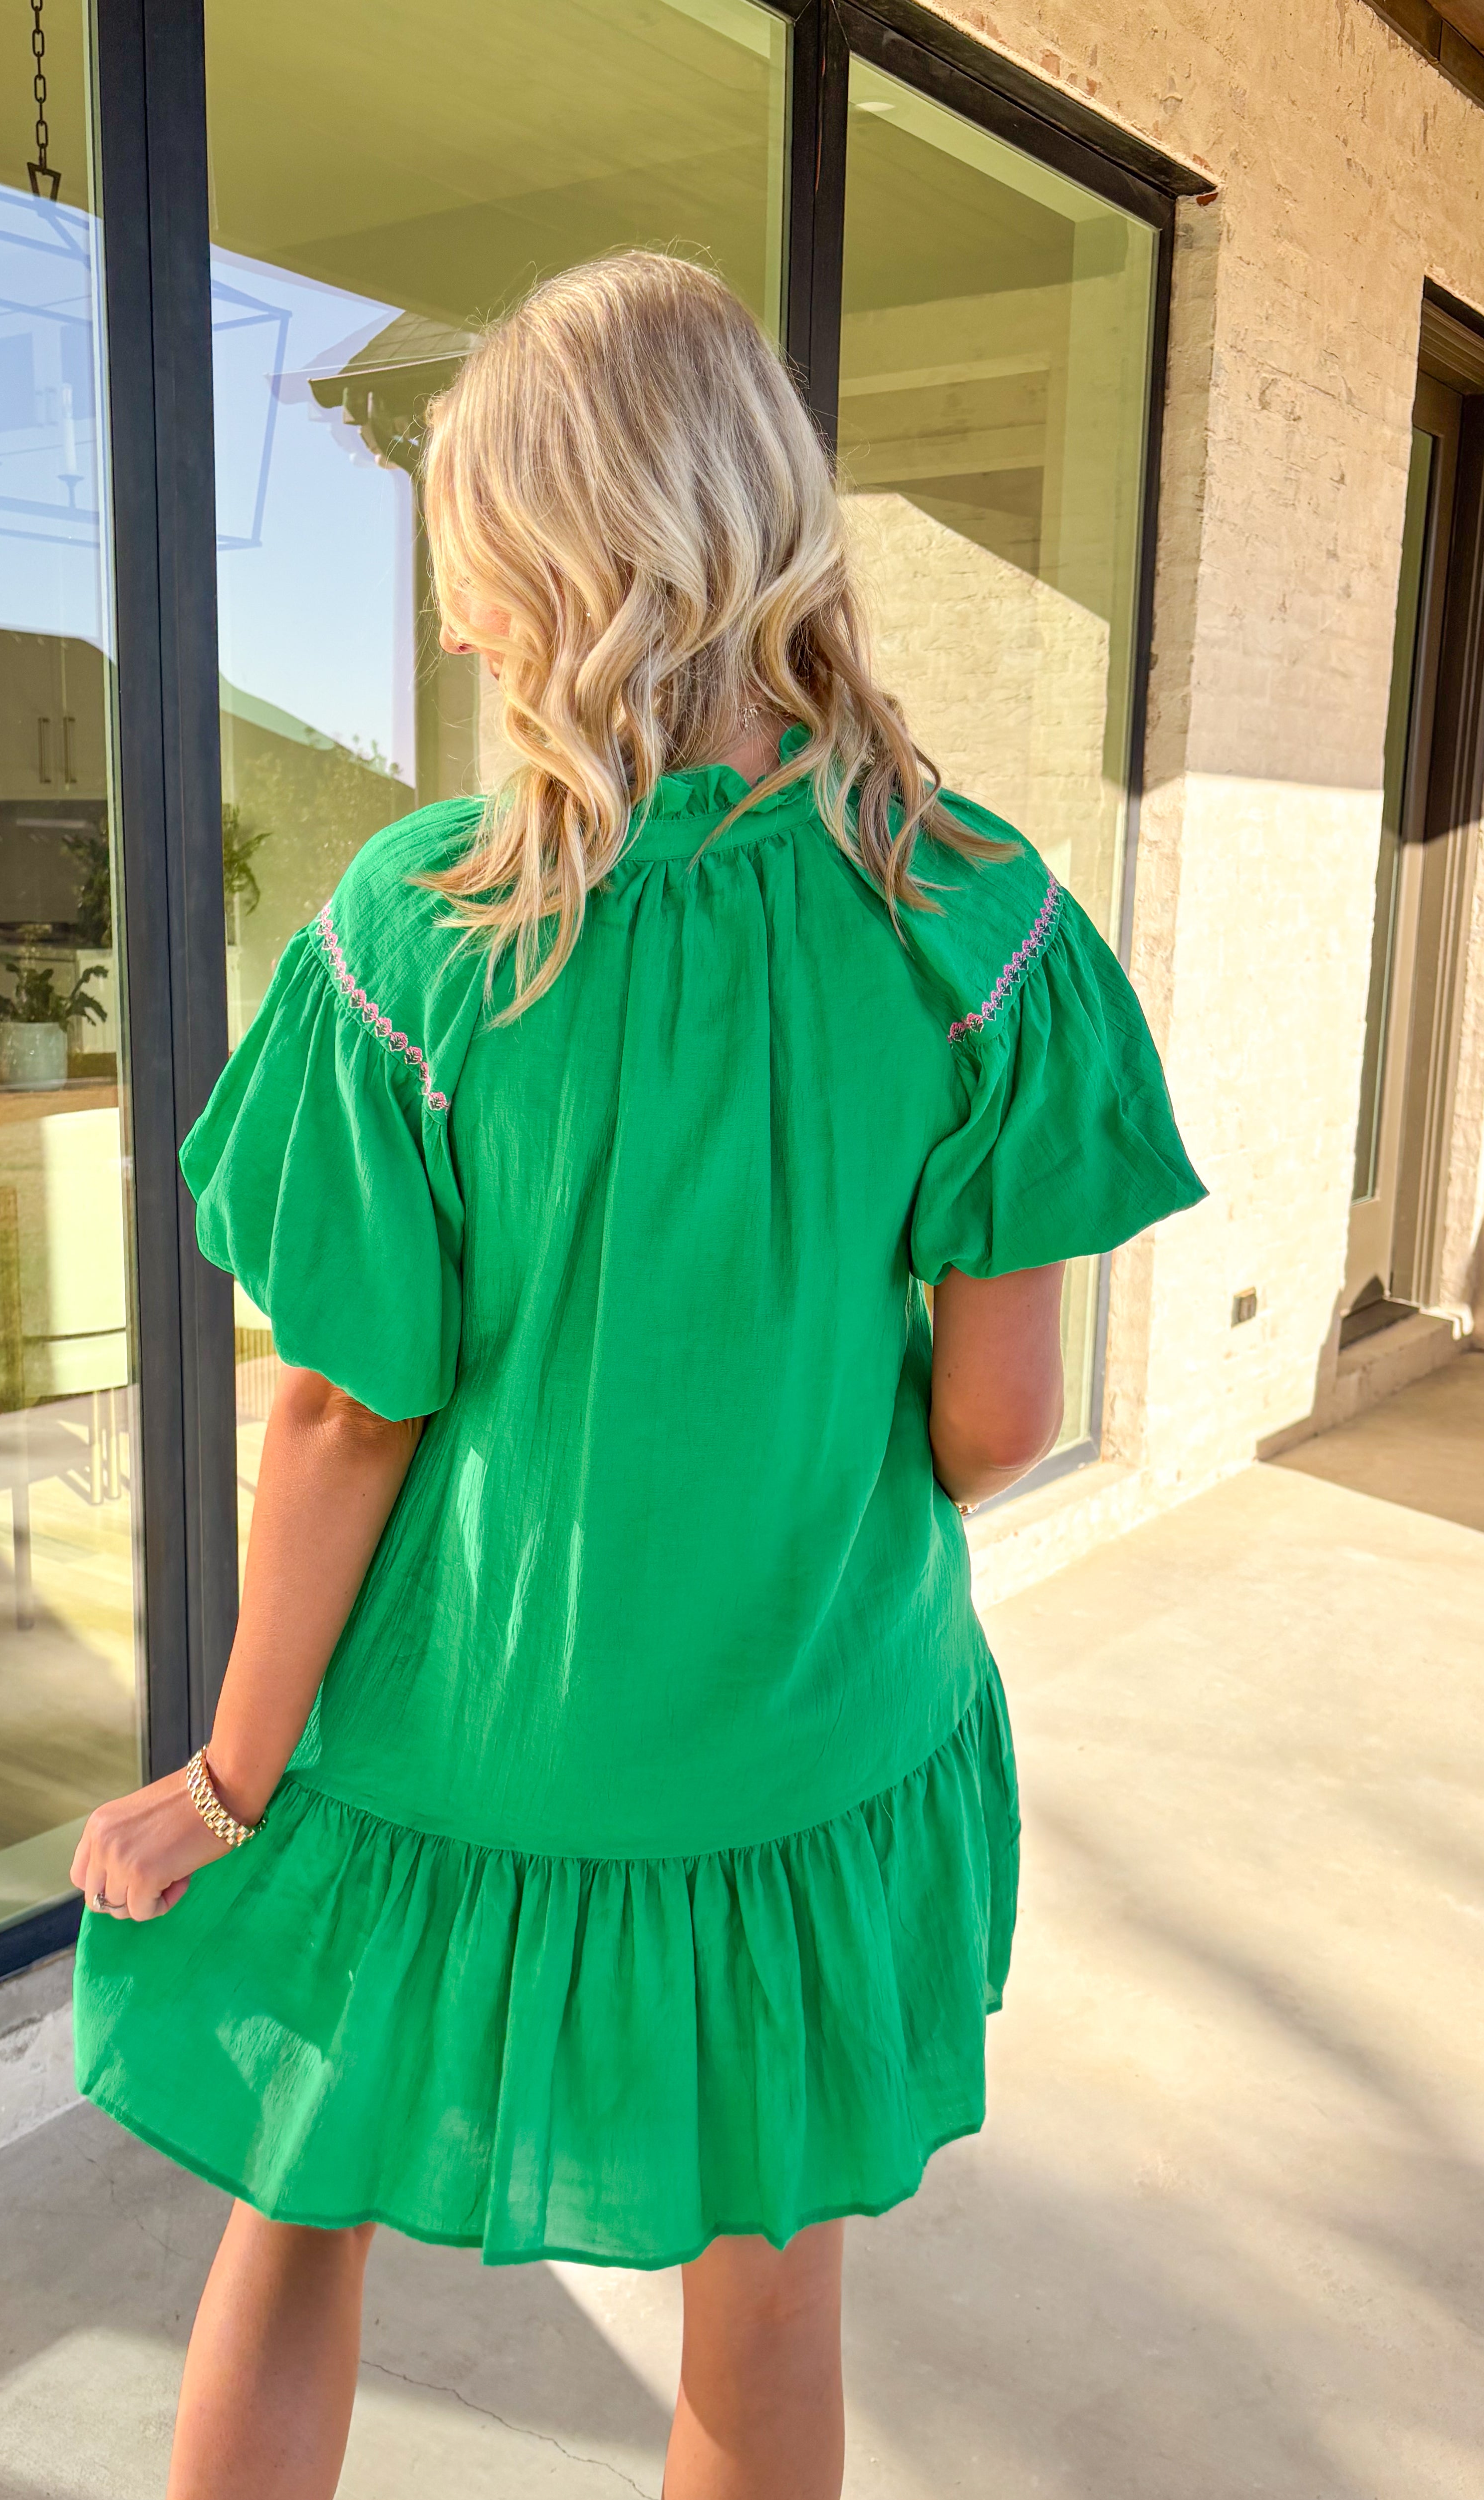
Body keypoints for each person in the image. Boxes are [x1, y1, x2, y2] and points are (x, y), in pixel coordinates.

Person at [71, 250, 1204, 2500]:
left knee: (293, 2211)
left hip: (454, 1739)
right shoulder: (982, 918)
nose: (469, 619)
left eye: (476, 562)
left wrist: (222, 1778)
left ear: (548, 563)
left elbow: (342, 1409)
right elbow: (997, 1421)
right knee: (766, 2295)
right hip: (801, 1744)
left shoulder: (417, 934)